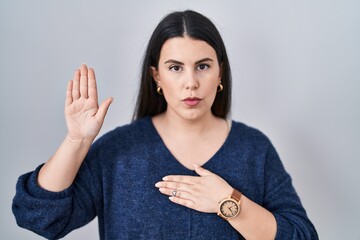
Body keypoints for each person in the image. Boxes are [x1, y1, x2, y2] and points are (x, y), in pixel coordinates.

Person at [12, 10, 318, 240]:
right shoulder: (119, 150)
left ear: (220, 73)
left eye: (203, 66)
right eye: (175, 68)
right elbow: (38, 217)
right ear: (157, 76)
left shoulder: (254, 148)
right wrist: (77, 141)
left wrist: (229, 202)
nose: (191, 83)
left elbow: (301, 235)